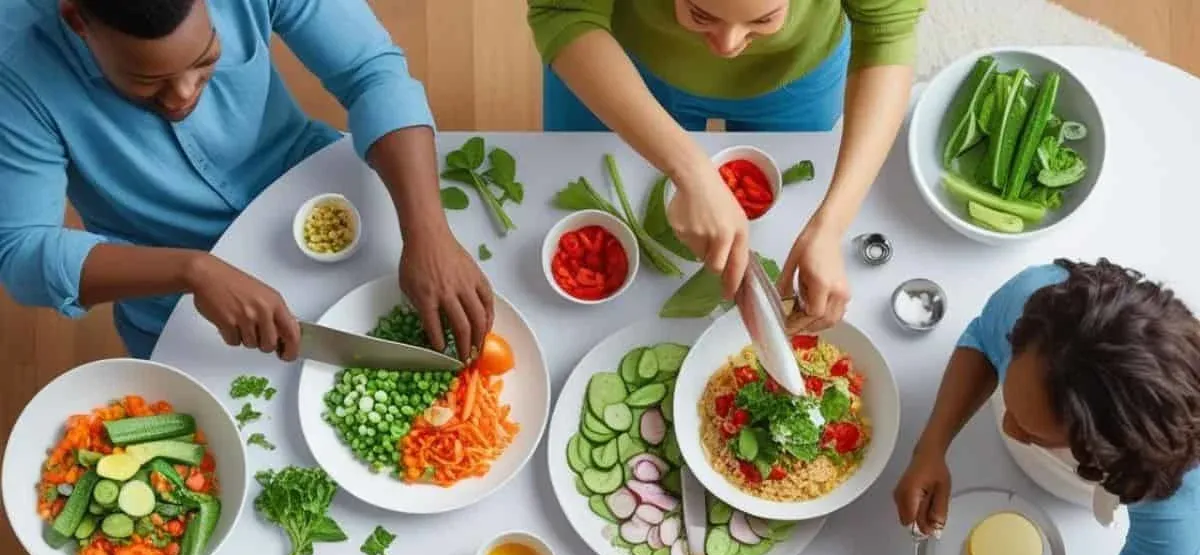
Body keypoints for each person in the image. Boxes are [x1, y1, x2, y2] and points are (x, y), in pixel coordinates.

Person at [0, 0, 491, 360]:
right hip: (175, 298)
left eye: (205, 59)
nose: (182, 96)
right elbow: (22, 252)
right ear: (78, 20)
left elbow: (372, 72)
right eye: (147, 82)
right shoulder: (14, 64)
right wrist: (191, 271)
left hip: (324, 197)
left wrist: (427, 232)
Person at [864, 260, 1200, 555]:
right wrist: (931, 448)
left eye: (1034, 431)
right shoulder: (1040, 297)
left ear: (1114, 455)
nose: (1009, 426)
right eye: (1012, 396)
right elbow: (986, 339)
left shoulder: (1177, 491)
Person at [528, 0, 926, 323]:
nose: (728, 46)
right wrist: (689, 169)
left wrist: (831, 225)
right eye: (700, 14)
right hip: (624, 61)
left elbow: (888, 33)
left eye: (764, 19)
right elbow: (563, 11)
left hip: (793, 74)